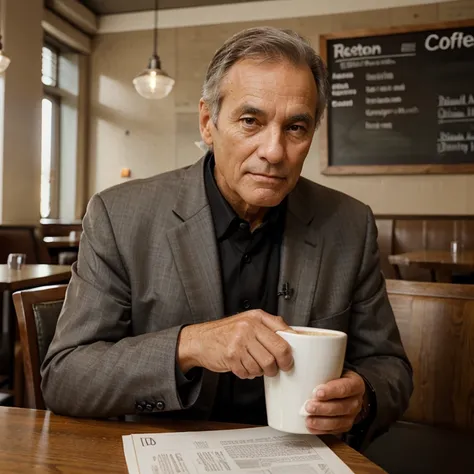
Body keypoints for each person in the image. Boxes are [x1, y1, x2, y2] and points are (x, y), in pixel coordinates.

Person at [41, 26, 412, 450]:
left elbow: (391, 368)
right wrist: (191, 344)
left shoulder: (350, 224)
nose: (274, 151)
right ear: (208, 123)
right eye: (250, 121)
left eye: (295, 128)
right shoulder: (121, 216)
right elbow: (66, 376)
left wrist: (361, 398)